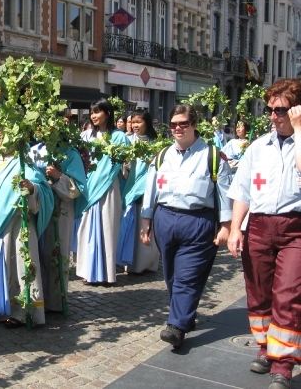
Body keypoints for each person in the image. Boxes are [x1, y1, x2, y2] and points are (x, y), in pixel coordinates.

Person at [227, 79, 301, 389]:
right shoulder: (258, 146)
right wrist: (234, 229)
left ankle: (283, 365)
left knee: (288, 294)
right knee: (258, 291)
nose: (273, 116)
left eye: (281, 110)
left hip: (294, 228)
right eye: (270, 109)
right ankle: (264, 347)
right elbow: (243, 190)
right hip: (258, 226)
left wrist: (299, 132)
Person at [140, 104, 232, 349]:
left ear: (194, 125)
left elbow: (224, 194)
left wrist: (226, 226)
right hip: (165, 219)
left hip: (198, 221)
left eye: (183, 124)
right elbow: (151, 190)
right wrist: (146, 221)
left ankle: (176, 326)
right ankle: (185, 315)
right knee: (171, 274)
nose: (178, 129)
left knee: (187, 276)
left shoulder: (213, 156)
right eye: (173, 124)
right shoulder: (162, 156)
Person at [0, 130, 54, 327]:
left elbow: (43, 192)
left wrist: (32, 188)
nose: (0, 139)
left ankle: (21, 311)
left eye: (5, 135)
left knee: (21, 264)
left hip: (19, 224)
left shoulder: (26, 164)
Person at [30, 133, 88, 312]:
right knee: (36, 251)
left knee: (56, 252)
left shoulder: (70, 154)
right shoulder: (33, 151)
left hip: (61, 208)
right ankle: (35, 299)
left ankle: (54, 300)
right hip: (37, 207)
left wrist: (59, 177)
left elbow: (77, 189)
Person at [75, 99, 129, 285]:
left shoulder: (120, 138)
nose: (93, 116)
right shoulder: (85, 137)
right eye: (91, 112)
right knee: (86, 228)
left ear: (107, 113)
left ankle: (106, 272)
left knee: (108, 227)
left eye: (97, 112)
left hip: (109, 188)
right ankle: (86, 270)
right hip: (89, 189)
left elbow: (126, 168)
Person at [117, 109, 160, 274]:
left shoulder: (155, 143)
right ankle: (133, 263)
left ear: (146, 123)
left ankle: (149, 263)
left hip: (149, 189)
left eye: (138, 122)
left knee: (149, 223)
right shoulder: (127, 142)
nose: (135, 125)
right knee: (133, 225)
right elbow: (124, 168)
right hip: (132, 188)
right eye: (133, 122)